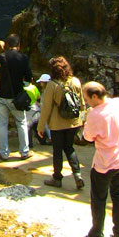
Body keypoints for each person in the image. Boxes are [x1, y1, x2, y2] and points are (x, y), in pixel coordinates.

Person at [78, 82, 119, 237]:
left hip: (104, 163)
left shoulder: (95, 114)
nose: (87, 102)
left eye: (87, 99)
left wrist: (88, 116)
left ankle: (96, 235)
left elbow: (88, 137)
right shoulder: (117, 103)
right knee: (118, 196)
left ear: (95, 96)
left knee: (98, 199)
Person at [37, 56, 85, 189]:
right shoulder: (75, 81)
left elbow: (46, 108)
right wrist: (82, 121)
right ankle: (77, 175)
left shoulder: (52, 85)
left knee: (57, 150)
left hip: (57, 124)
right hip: (73, 122)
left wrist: (41, 127)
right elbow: (81, 104)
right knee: (69, 148)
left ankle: (57, 178)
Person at [0, 33, 33, 161]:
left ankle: (4, 152)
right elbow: (29, 77)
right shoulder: (23, 58)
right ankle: (24, 152)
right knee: (21, 123)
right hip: (17, 97)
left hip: (2, 96)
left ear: (7, 45)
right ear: (18, 45)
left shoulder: (1, 57)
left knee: (2, 124)